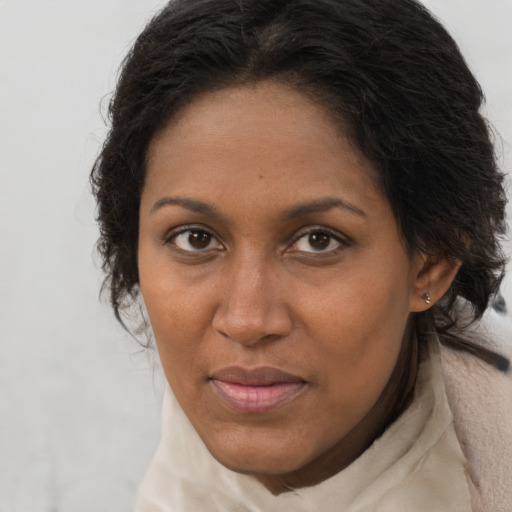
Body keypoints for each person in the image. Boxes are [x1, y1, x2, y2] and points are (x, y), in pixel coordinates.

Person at [90, 0, 512, 510]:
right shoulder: (181, 476)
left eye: (318, 241)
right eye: (195, 239)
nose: (246, 320)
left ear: (433, 260)